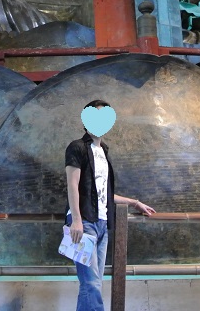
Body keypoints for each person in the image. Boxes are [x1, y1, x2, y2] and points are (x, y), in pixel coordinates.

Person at [65, 100, 155, 311]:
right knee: (91, 283)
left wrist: (134, 202)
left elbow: (102, 192)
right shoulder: (77, 147)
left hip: (103, 224)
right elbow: (72, 184)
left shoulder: (103, 151)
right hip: (84, 222)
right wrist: (76, 220)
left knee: (92, 283)